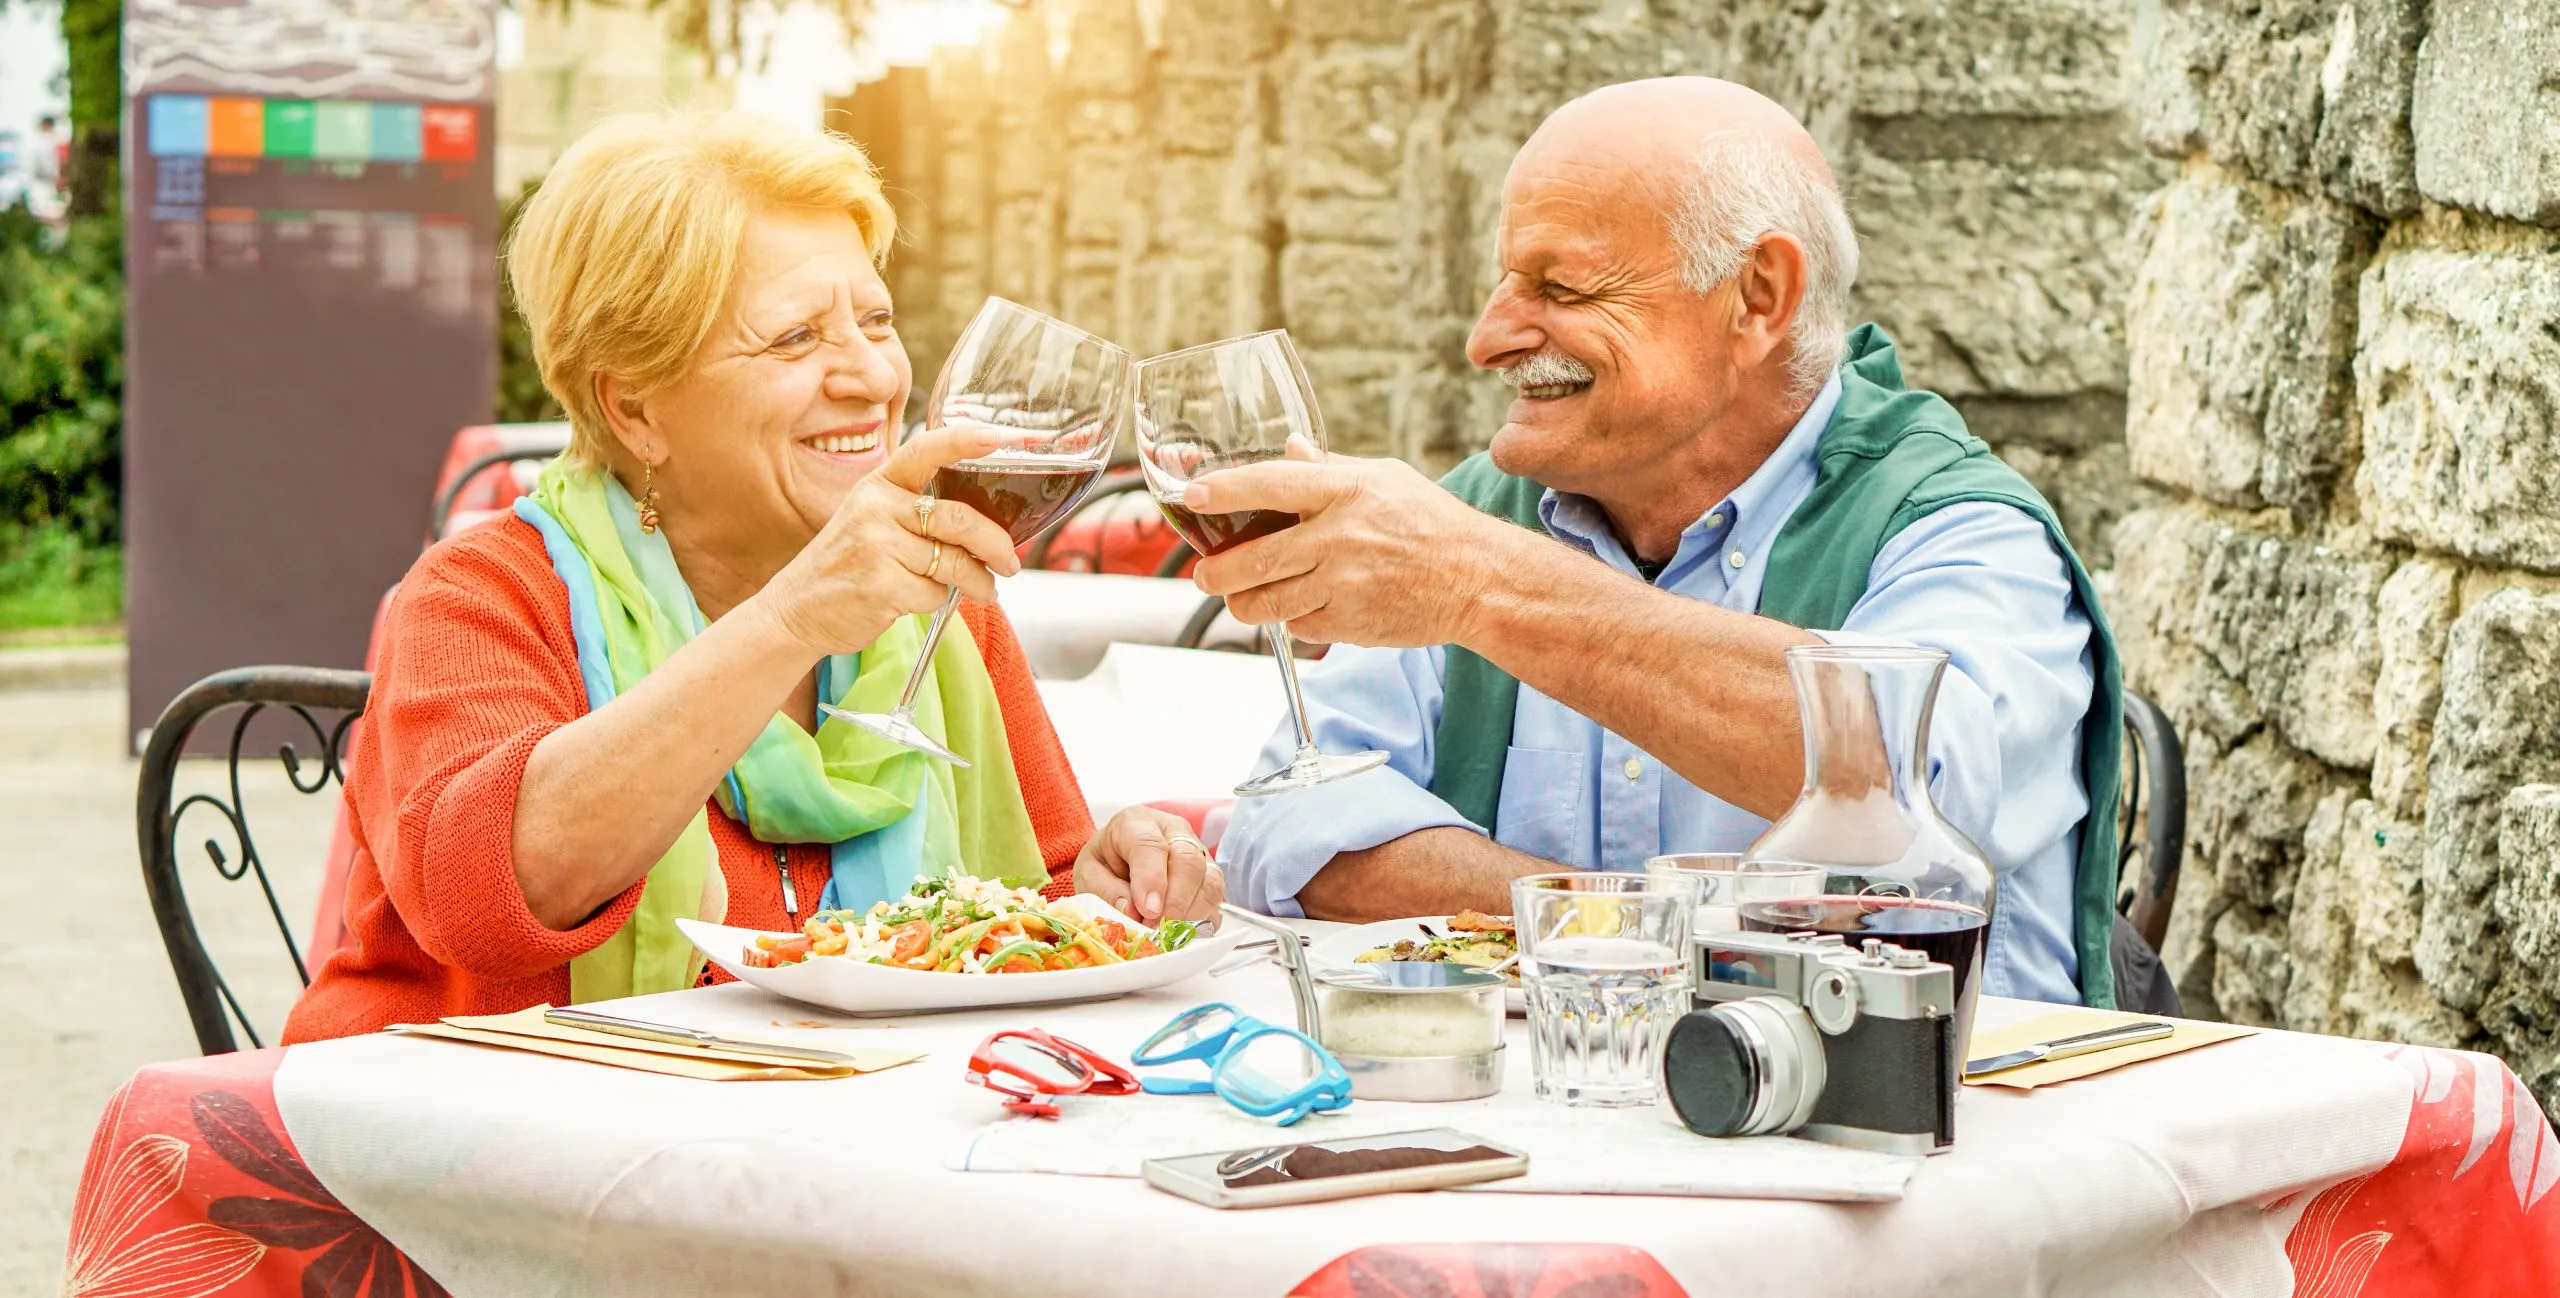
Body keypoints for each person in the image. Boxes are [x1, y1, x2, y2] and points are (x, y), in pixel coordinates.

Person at [1184, 78, 2123, 1008]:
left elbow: (1907, 793)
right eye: (1505, 282)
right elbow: (1291, 825)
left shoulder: (1959, 527)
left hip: (1934, 1134)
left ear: (1757, 296)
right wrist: (1621, 934)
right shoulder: (1485, 513)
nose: (1488, 338)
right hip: (1562, 1122)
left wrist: (1482, 588)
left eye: (1560, 286)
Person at [285, 111, 1218, 1042]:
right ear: (636, 406)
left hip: (818, 1144)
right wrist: (792, 621)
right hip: (478, 1149)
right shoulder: (482, 597)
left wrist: (1095, 887)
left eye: (877, 320)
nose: (871, 377)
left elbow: (1026, 895)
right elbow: (489, 899)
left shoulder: (938, 610)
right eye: (796, 339)